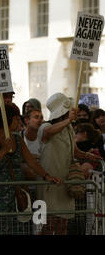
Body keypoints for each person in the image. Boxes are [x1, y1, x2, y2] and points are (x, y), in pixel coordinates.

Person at [0, 103, 61, 235]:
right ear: (8, 120)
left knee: (15, 227)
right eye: (16, 119)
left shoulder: (18, 139)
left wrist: (46, 176)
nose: (19, 121)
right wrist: (3, 150)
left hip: (14, 193)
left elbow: (31, 161)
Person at [37, 93, 102, 235]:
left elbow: (75, 151)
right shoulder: (45, 127)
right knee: (48, 225)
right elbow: (49, 132)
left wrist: (88, 155)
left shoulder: (68, 129)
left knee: (62, 225)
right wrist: (69, 120)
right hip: (50, 183)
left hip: (66, 182)